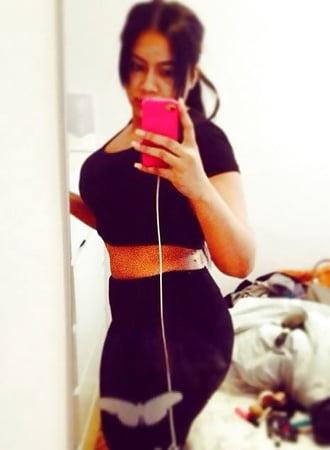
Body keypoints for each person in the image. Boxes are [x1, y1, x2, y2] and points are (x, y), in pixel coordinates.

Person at [69, 1, 255, 449]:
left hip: (184, 326)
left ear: (190, 75)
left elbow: (240, 261)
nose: (147, 83)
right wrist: (58, 199)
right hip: (127, 320)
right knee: (120, 434)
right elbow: (116, 224)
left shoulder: (203, 142)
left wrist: (198, 186)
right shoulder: (120, 138)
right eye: (137, 66)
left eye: (166, 70)